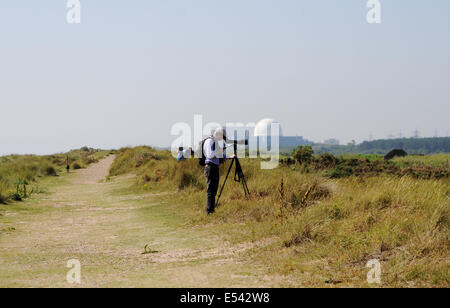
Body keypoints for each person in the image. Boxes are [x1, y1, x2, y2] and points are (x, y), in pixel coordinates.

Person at [203, 127, 234, 215]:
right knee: (211, 190)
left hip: (215, 167)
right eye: (222, 137)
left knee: (214, 190)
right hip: (210, 167)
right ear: (218, 134)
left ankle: (212, 210)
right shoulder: (210, 141)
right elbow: (210, 155)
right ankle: (209, 211)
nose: (222, 139)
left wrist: (228, 157)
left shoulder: (215, 142)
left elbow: (218, 155)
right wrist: (220, 150)